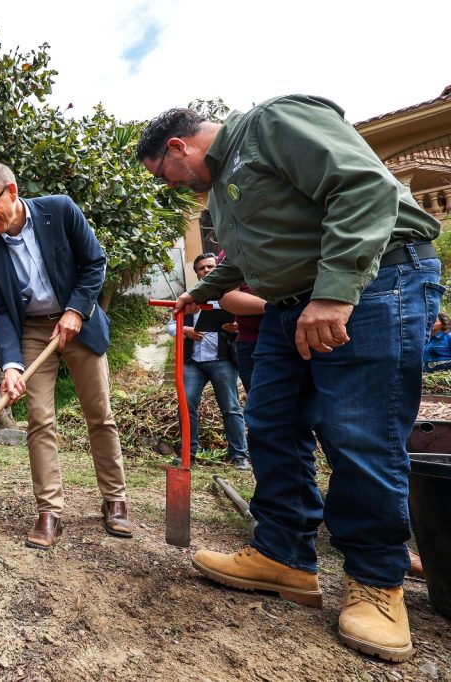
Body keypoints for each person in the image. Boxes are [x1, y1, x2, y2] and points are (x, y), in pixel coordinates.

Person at [137, 97, 442, 662]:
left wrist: (332, 294)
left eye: (167, 175)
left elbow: (362, 189)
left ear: (178, 147)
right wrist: (199, 292)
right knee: (270, 422)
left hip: (373, 285)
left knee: (360, 433)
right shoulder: (225, 188)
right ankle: (284, 556)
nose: (175, 187)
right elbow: (248, 255)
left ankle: (377, 582)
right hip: (287, 305)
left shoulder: (270, 125)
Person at [0, 162, 131, 549]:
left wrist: (77, 309)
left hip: (80, 319)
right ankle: (49, 511)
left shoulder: (59, 210)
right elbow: (0, 312)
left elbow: (95, 262)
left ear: (11, 190)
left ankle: (115, 500)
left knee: (99, 413)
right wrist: (10, 364)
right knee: (39, 419)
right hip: (34, 331)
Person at [166, 252, 249, 470]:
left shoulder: (230, 297)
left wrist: (235, 328)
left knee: (230, 407)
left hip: (222, 361)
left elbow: (245, 323)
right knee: (186, 405)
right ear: (197, 273)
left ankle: (239, 456)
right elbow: (170, 325)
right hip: (192, 362)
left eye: (210, 267)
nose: (206, 271)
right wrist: (185, 330)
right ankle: (187, 455)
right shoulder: (189, 296)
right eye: (202, 268)